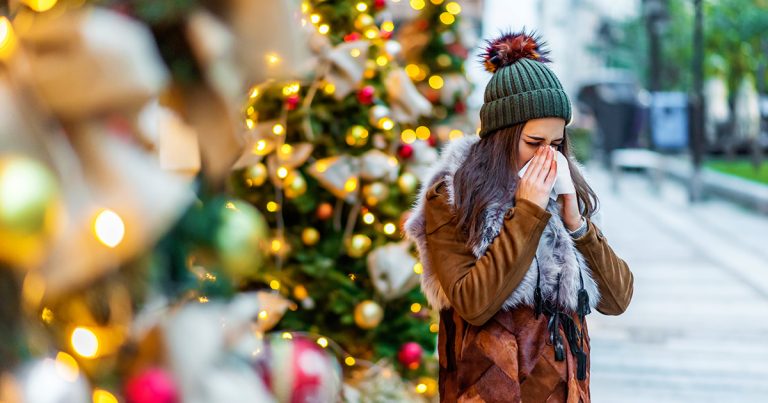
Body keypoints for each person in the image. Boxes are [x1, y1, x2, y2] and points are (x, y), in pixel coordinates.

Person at [404, 31, 634, 402]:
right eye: (533, 143)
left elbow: (617, 298)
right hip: (486, 388)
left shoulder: (566, 191)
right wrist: (526, 211)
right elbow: (475, 303)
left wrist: (577, 225)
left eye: (556, 145)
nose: (547, 157)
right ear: (501, 135)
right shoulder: (452, 196)